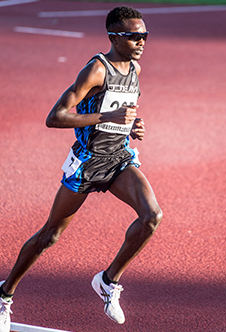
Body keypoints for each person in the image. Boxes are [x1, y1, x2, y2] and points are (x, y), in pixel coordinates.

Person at [0, 6, 162, 331]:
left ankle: (107, 281)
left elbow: (120, 112)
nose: (142, 41)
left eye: (144, 35)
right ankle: (5, 296)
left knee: (152, 217)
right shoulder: (95, 71)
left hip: (118, 158)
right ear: (114, 37)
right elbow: (55, 117)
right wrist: (107, 119)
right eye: (134, 36)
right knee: (50, 235)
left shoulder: (135, 68)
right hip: (87, 163)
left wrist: (132, 127)